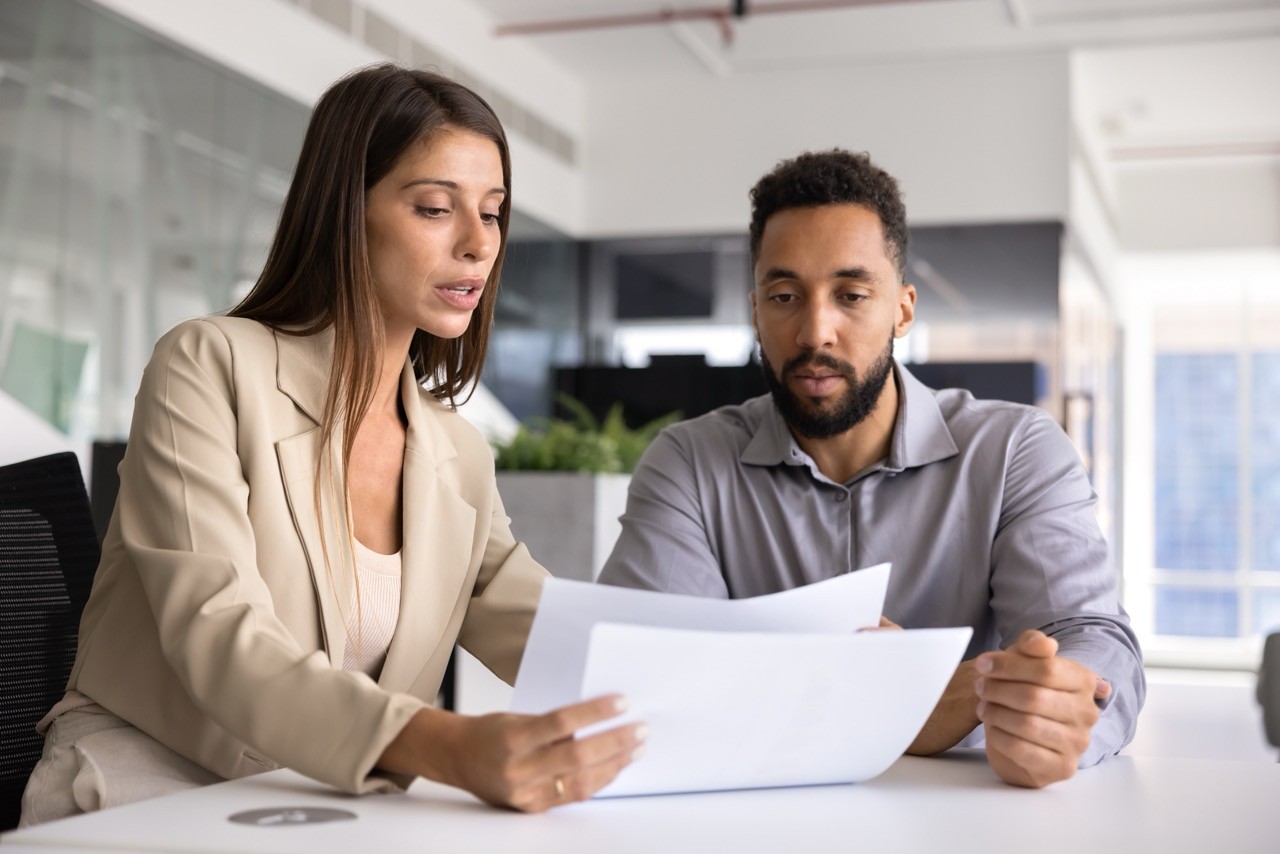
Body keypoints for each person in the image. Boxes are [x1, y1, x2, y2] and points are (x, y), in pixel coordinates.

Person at [20, 64, 645, 825]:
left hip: (315, 800)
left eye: (494, 212)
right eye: (435, 208)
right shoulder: (210, 364)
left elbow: (541, 625)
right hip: (144, 783)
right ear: (347, 212)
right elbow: (218, 633)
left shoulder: (456, 452)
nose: (479, 243)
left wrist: (712, 676)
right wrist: (449, 745)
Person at [598, 149, 1143, 789]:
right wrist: (916, 696)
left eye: (851, 295)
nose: (815, 331)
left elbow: (1087, 636)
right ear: (755, 312)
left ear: (902, 310)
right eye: (784, 295)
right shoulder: (689, 463)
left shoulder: (1016, 450)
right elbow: (644, 672)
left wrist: (1056, 716)